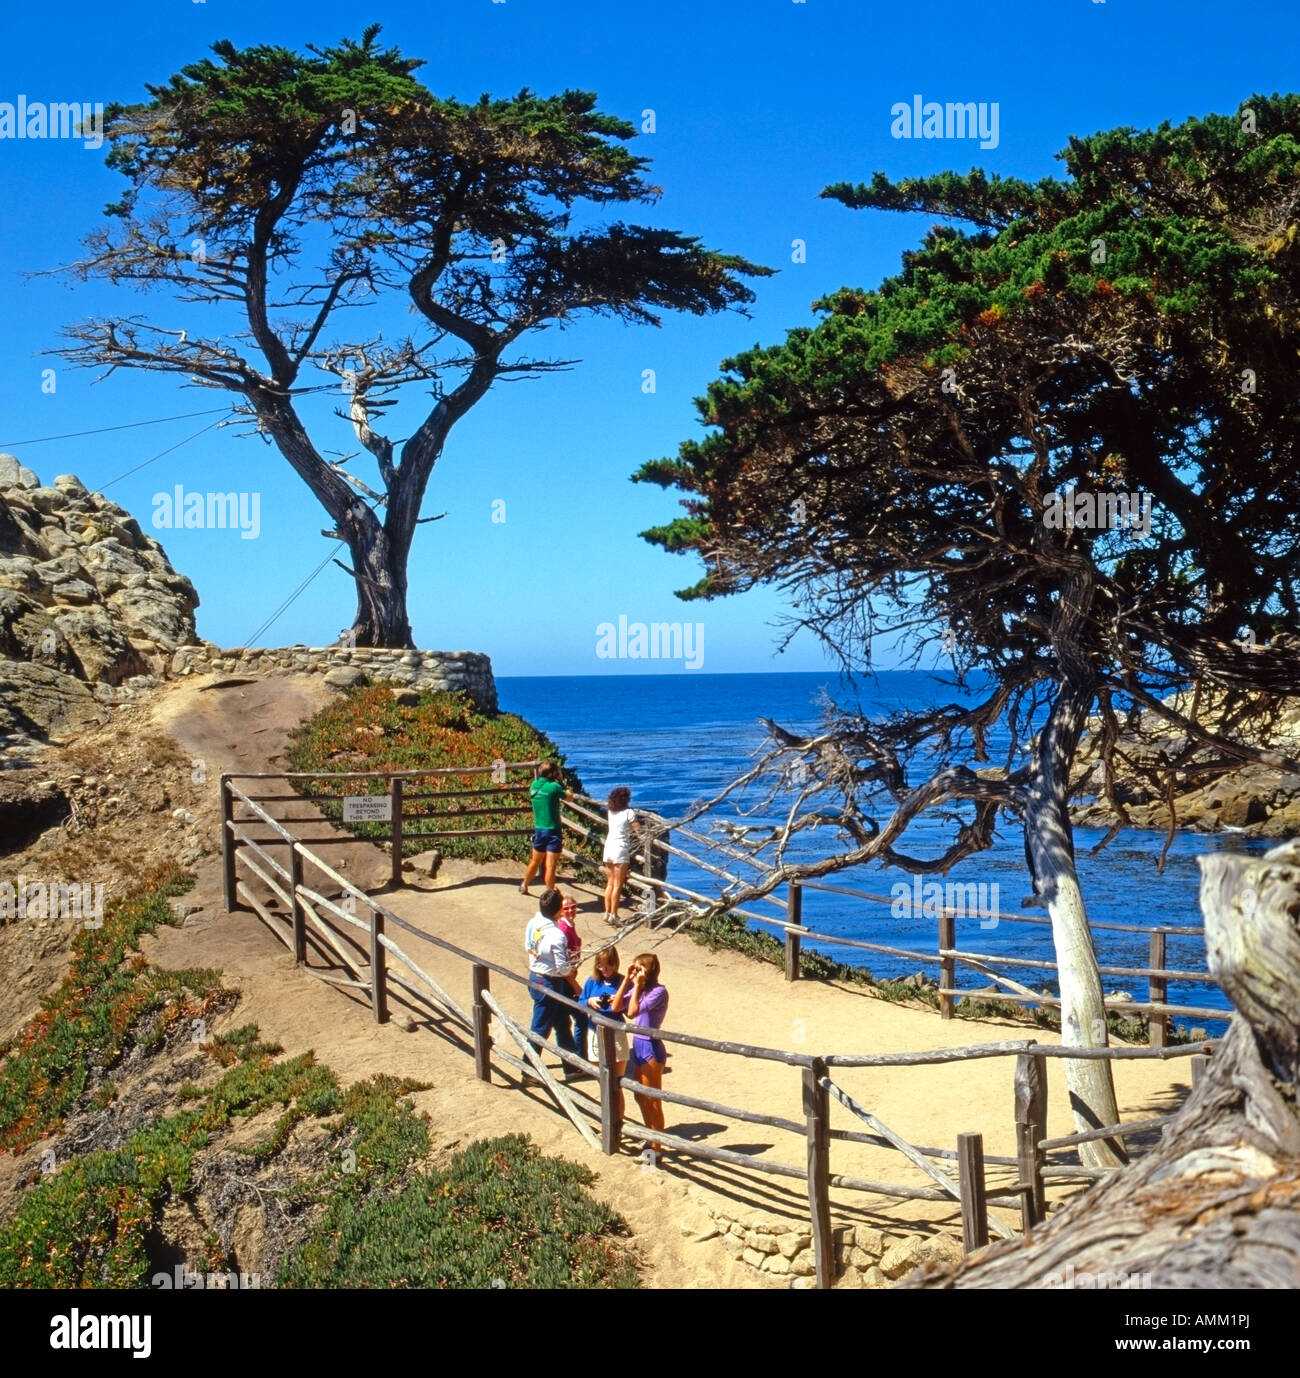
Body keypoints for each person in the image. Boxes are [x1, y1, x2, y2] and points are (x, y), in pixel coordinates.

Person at [613, 951, 668, 1153]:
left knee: (652, 1100)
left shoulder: (658, 992)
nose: (636, 972)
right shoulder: (641, 989)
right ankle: (650, 1137)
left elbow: (632, 1012)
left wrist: (636, 985)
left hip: (651, 1048)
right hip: (638, 1045)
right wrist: (627, 978)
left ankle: (656, 1148)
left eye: (639, 968)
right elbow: (616, 1005)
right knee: (640, 1096)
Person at [523, 887, 579, 1070]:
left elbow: (527, 945)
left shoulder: (533, 923)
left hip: (535, 975)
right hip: (549, 982)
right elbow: (562, 968)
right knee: (540, 1027)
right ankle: (529, 1068)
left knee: (562, 1022)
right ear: (558, 911)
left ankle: (570, 1065)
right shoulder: (557, 935)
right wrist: (571, 970)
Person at [577, 946, 629, 1119]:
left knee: (616, 1082)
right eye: (601, 966)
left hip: (616, 1033)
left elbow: (630, 1009)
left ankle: (617, 1122)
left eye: (609, 965)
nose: (605, 969)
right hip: (595, 1032)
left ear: (615, 964)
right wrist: (590, 1001)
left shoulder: (623, 982)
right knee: (602, 1080)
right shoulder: (592, 981)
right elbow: (580, 1002)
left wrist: (618, 1000)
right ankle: (608, 1118)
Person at [521, 762, 567, 894]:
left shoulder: (534, 786)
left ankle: (524, 884)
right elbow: (569, 797)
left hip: (540, 830)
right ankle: (549, 893)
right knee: (550, 866)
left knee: (535, 861)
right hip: (553, 830)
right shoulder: (554, 787)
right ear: (552, 773)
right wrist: (561, 781)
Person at [602, 785, 639, 921]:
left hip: (608, 847)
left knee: (610, 883)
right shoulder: (629, 813)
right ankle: (614, 914)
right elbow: (638, 830)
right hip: (620, 848)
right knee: (618, 884)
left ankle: (606, 912)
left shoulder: (610, 812)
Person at [556, 894, 583, 970]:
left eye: (573, 907)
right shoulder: (563, 929)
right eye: (566, 908)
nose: (570, 910)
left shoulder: (570, 925)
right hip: (567, 971)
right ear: (560, 911)